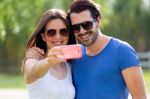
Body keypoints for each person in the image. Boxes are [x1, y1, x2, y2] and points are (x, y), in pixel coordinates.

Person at [67, 0, 147, 99]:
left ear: (98, 20)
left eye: (87, 24)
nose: (82, 31)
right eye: (76, 27)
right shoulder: (75, 55)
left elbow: (140, 97)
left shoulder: (122, 51)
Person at [23, 8, 76, 99]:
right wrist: (49, 61)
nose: (58, 37)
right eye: (51, 32)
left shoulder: (70, 65)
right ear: (43, 36)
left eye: (63, 32)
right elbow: (30, 75)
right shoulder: (33, 59)